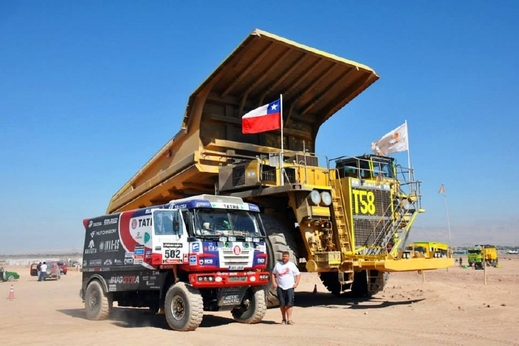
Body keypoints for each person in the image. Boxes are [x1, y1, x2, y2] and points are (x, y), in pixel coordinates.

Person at [271, 251, 301, 325]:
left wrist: (296, 283)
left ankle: (289, 319)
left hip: (290, 287)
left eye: (286, 256)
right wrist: (274, 282)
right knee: (282, 304)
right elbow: (273, 273)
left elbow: (298, 274)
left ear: (288, 257)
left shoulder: (291, 265)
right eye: (283, 256)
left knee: (289, 304)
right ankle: (283, 319)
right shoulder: (278, 265)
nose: (284, 258)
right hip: (280, 287)